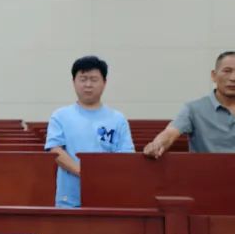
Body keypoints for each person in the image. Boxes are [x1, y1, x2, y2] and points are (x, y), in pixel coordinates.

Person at [44, 55, 134, 208]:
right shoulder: (60, 116)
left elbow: (127, 156)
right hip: (69, 200)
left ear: (104, 82)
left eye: (94, 79)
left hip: (109, 196)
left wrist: (100, 177)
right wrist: (85, 174)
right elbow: (55, 150)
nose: (88, 85)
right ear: (74, 82)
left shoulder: (118, 119)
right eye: (83, 79)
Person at [144, 51, 235, 156]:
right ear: (213, 75)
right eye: (227, 71)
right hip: (207, 166)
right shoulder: (194, 109)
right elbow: (170, 133)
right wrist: (157, 145)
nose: (233, 78)